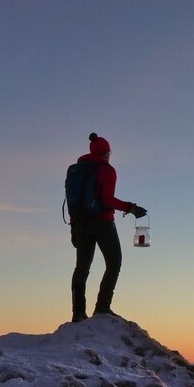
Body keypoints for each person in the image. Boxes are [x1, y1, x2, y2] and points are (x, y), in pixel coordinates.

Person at [70, 133, 147, 322]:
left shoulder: (76, 170)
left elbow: (73, 202)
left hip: (80, 224)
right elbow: (107, 200)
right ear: (105, 153)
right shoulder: (107, 170)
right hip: (102, 222)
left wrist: (73, 228)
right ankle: (102, 308)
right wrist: (131, 208)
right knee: (114, 263)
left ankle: (78, 313)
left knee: (82, 268)